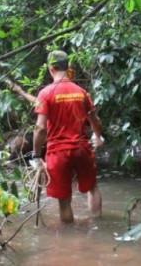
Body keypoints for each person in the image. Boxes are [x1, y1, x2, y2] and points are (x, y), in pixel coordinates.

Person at [32, 50, 103, 223]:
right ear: (68, 67)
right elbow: (94, 119)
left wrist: (36, 154)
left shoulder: (45, 94)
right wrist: (98, 136)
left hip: (58, 152)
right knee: (92, 187)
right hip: (81, 148)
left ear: (51, 69)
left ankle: (70, 239)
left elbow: (40, 128)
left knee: (64, 201)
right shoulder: (81, 92)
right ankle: (96, 227)